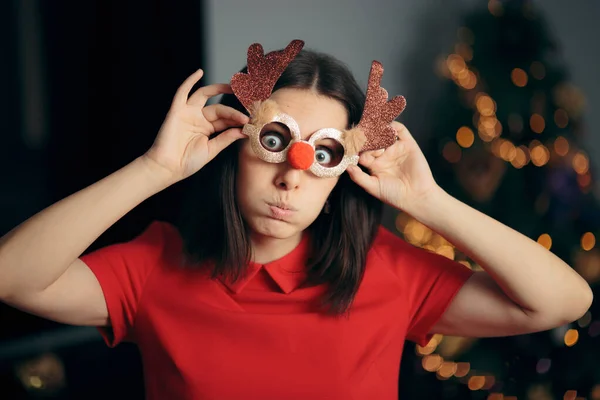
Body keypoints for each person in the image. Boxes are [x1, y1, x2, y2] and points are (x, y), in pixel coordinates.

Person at [0, 40, 593, 399]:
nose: (292, 175)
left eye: (323, 155)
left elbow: (562, 301)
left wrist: (428, 201)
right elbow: (12, 275)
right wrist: (155, 169)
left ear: (340, 173)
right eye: (276, 143)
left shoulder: (385, 272)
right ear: (236, 149)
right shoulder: (156, 265)